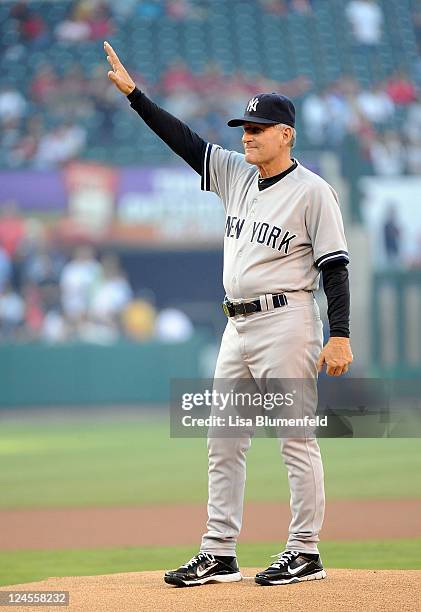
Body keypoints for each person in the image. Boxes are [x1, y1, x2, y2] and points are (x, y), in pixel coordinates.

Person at [104, 41, 353, 587]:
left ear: (286, 134)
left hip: (287, 320)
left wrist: (340, 336)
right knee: (223, 440)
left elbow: (334, 266)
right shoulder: (237, 173)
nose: (247, 135)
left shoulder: (314, 192)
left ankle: (305, 549)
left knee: (294, 438)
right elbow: (187, 143)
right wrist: (135, 97)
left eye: (258, 128)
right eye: (245, 127)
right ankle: (219, 552)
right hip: (236, 326)